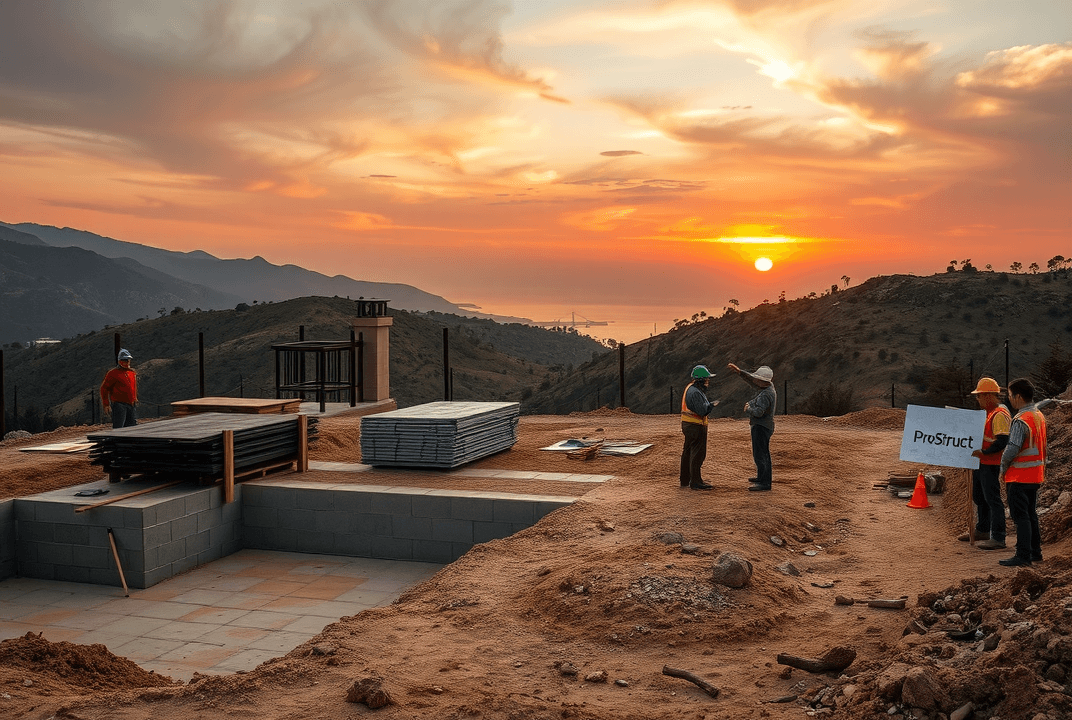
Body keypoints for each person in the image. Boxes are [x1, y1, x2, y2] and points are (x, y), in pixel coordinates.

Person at [997, 377, 1047, 567]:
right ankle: (1035, 552)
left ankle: (1023, 555)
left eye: (1010, 395)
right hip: (1035, 475)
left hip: (1019, 476)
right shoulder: (1039, 416)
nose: (1009, 399)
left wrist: (1003, 468)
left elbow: (1012, 448)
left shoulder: (1021, 420)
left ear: (1018, 396)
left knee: (1021, 517)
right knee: (1031, 514)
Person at [962, 377, 1011, 550]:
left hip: (990, 463)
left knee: (992, 499)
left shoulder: (999, 414)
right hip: (981, 462)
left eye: (979, 396)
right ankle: (983, 530)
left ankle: (998, 537)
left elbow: (1002, 441)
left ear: (989, 395)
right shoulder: (989, 413)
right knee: (979, 496)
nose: (978, 399)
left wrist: (984, 453)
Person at [727, 363, 776, 491]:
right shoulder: (768, 387)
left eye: (758, 378)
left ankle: (764, 483)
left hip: (761, 426)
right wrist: (740, 372)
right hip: (765, 426)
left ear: (762, 381)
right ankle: (762, 477)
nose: (755, 380)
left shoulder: (765, 394)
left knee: (761, 454)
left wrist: (748, 408)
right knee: (762, 453)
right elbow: (752, 381)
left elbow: (758, 412)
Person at [680, 365, 719, 491]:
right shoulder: (696, 392)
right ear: (701, 380)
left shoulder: (690, 388)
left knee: (687, 452)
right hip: (696, 426)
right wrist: (711, 405)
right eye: (707, 379)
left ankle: (685, 480)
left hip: (688, 424)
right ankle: (696, 482)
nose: (708, 381)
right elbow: (702, 411)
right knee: (697, 454)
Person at [100, 348, 138, 429]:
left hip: (131, 404)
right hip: (119, 405)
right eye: (124, 360)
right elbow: (104, 388)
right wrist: (106, 404)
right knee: (119, 427)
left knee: (132, 427)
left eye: (128, 360)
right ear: (119, 361)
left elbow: (133, 387)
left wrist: (134, 398)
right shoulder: (113, 373)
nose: (127, 362)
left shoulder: (132, 373)